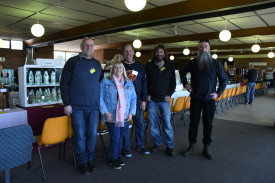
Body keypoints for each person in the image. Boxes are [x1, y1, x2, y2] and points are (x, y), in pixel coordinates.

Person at [60, 37, 102, 175]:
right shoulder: (72, 62)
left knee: (92, 135)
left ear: (94, 47)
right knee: (79, 136)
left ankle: (90, 158)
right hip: (76, 107)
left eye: (91, 45)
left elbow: (98, 82)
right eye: (86, 45)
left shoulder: (97, 64)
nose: (88, 48)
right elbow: (64, 83)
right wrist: (67, 103)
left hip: (94, 107)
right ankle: (82, 161)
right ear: (81, 46)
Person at [180, 39, 227, 160]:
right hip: (196, 98)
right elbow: (182, 72)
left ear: (209, 48)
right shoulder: (193, 62)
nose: (203, 49)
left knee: (208, 124)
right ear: (198, 49)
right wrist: (186, 84)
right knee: (193, 124)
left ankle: (207, 146)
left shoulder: (216, 64)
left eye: (206, 47)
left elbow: (223, 80)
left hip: (209, 99)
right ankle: (192, 145)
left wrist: (218, 93)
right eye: (201, 47)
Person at [99, 62, 136, 169]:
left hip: (125, 115)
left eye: (120, 67)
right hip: (111, 115)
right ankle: (114, 158)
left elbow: (134, 98)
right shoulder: (105, 81)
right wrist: (105, 112)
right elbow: (99, 98)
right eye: (115, 67)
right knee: (115, 137)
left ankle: (118, 155)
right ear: (112, 69)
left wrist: (131, 113)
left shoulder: (129, 82)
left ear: (123, 70)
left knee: (120, 137)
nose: (118, 69)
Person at [145, 44, 176, 157]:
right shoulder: (148, 66)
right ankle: (157, 144)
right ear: (154, 53)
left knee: (167, 124)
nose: (159, 54)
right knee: (153, 125)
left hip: (164, 100)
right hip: (151, 100)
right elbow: (145, 82)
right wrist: (147, 94)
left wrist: (169, 94)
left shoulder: (170, 65)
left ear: (164, 53)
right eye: (157, 52)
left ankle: (170, 146)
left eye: (161, 52)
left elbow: (173, 83)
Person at [121, 43, 150, 157]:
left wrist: (143, 100)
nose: (128, 53)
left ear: (133, 52)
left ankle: (140, 146)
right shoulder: (119, 66)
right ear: (123, 53)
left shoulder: (140, 66)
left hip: (137, 102)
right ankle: (126, 148)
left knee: (140, 125)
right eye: (126, 51)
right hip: (123, 103)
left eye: (130, 51)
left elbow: (144, 84)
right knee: (124, 127)